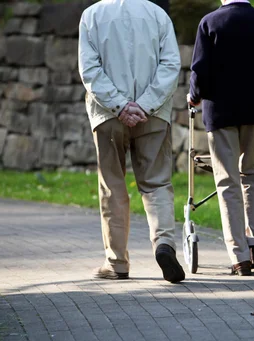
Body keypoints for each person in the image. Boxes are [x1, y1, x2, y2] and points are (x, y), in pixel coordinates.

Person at [78, 0, 185, 283]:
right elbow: (170, 64)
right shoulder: (158, 14)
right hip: (154, 115)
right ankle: (164, 244)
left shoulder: (91, 15)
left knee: (112, 184)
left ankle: (117, 263)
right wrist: (146, 105)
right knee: (157, 183)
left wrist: (120, 106)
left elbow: (90, 70)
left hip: (108, 116)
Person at [188, 0, 254, 276]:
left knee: (227, 181)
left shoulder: (209, 23)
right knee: (252, 174)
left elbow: (200, 70)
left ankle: (239, 257)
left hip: (221, 112)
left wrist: (194, 96)